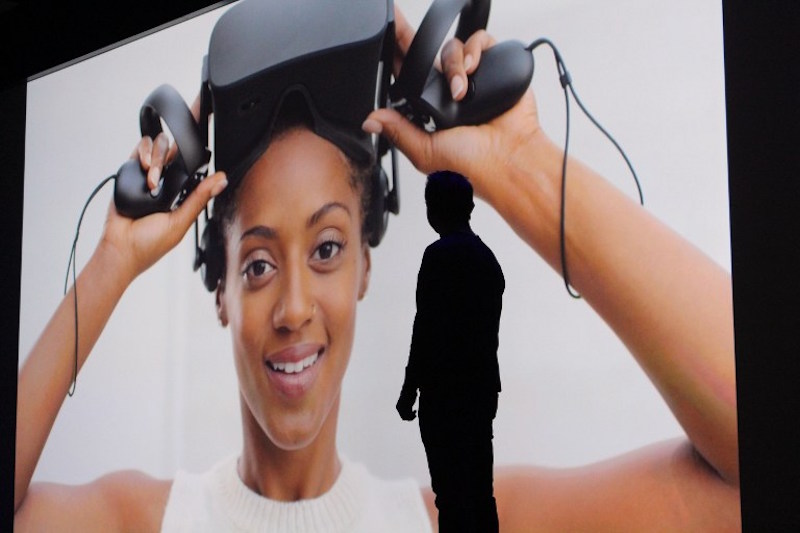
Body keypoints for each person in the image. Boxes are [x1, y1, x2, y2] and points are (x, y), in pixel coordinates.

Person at [15, 7, 740, 532]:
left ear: (364, 264)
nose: (295, 306)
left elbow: (750, 470)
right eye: (259, 262)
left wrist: (520, 164)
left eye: (327, 248)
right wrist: (113, 258)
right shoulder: (140, 521)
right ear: (221, 288)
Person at [396, 170, 504, 532]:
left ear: (435, 209)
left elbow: (424, 328)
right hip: (480, 393)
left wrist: (409, 389)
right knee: (479, 493)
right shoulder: (488, 260)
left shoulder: (438, 257)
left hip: (444, 396)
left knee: (450, 496)